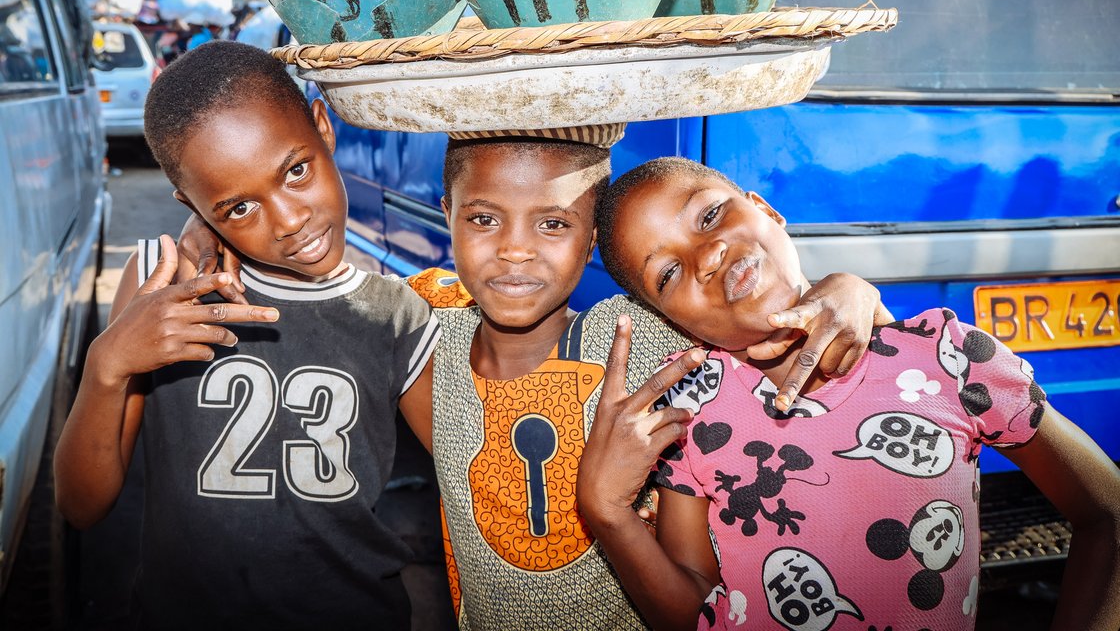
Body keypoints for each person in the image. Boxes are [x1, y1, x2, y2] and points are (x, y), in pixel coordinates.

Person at [181, 127, 889, 629]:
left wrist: (850, 288)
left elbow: (763, 311)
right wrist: (212, 228)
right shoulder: (425, 333)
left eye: (552, 224)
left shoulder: (639, 336)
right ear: (447, 219)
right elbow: (319, 277)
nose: (514, 250)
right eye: (484, 219)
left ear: (592, 245)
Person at [577, 156, 1120, 631]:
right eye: (669, 272)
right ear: (669, 319)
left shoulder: (945, 357)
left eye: (710, 215)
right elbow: (693, 611)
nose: (708, 254)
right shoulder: (689, 409)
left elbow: (1108, 512)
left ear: (765, 209)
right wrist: (608, 514)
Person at [53, 41, 441, 629]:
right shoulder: (159, 283)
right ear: (193, 205)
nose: (288, 221)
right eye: (237, 208)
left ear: (322, 125)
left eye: (296, 171)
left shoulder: (395, 314)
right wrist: (108, 365)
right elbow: (81, 505)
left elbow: (477, 469)